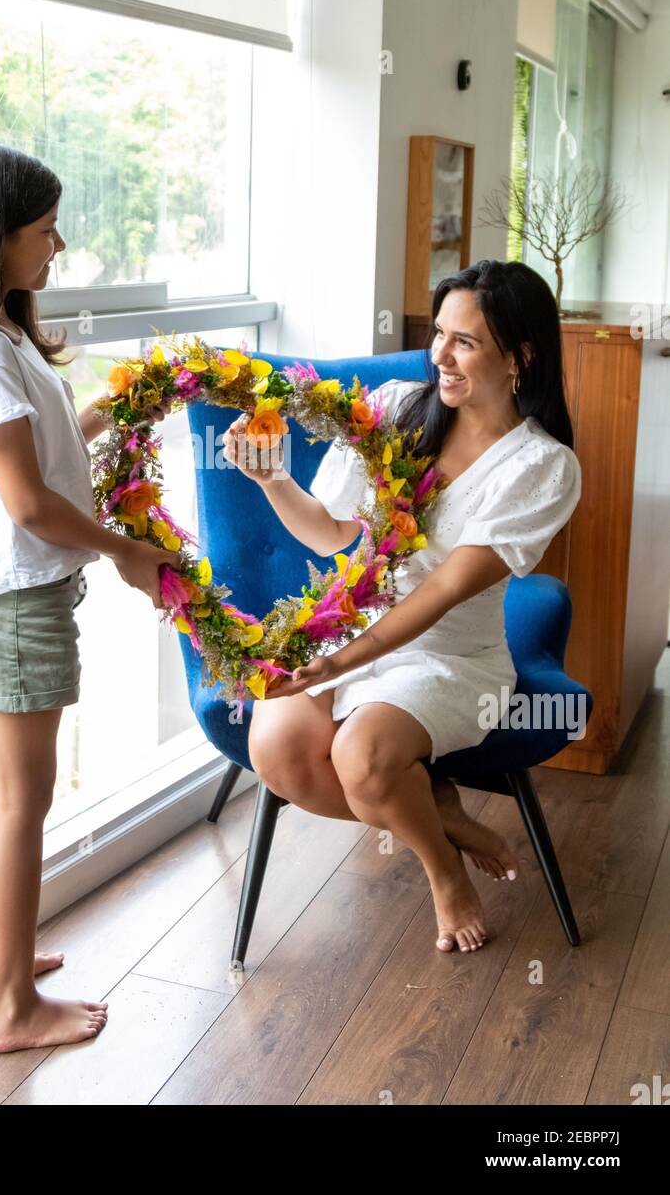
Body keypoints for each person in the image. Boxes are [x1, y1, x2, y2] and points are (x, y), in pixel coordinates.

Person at [0, 138, 181, 1052]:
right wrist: (127, 550)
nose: (57, 248)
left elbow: (32, 458)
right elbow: (28, 503)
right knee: (22, 801)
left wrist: (115, 411)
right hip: (11, 603)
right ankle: (9, 1008)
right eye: (44, 232)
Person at [223, 261, 582, 956]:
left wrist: (339, 659)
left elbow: (445, 589)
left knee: (362, 754)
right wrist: (271, 479)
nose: (439, 357)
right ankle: (443, 816)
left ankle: (442, 872)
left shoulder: (542, 468)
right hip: (350, 626)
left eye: (466, 343)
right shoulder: (392, 406)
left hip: (449, 654)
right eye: (438, 334)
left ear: (522, 357)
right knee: (275, 748)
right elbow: (332, 534)